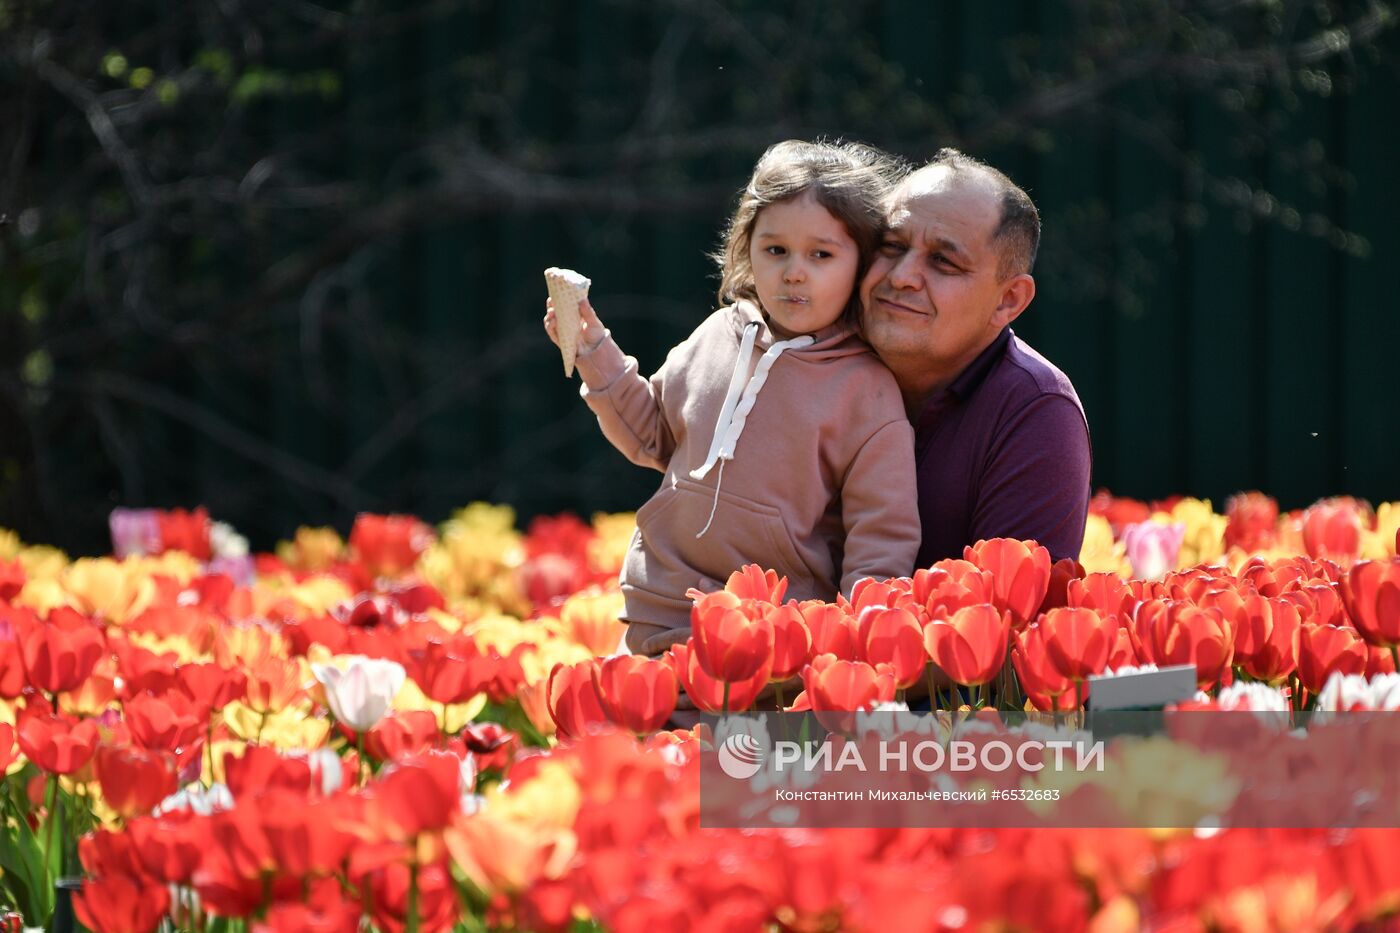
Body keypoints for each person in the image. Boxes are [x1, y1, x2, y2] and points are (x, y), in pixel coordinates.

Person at [544, 139, 921, 658]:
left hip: (775, 640)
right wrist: (592, 348)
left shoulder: (868, 392)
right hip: (662, 606)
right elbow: (651, 435)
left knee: (737, 744)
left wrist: (855, 647)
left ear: (862, 265)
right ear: (747, 251)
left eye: (821, 254)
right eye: (775, 250)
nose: (794, 271)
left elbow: (880, 541)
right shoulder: (718, 334)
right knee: (652, 737)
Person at [860, 148, 1092, 565]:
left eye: (943, 261)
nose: (900, 277)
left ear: (1008, 300)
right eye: (892, 246)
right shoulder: (806, 356)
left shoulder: (1035, 410)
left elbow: (1004, 621)